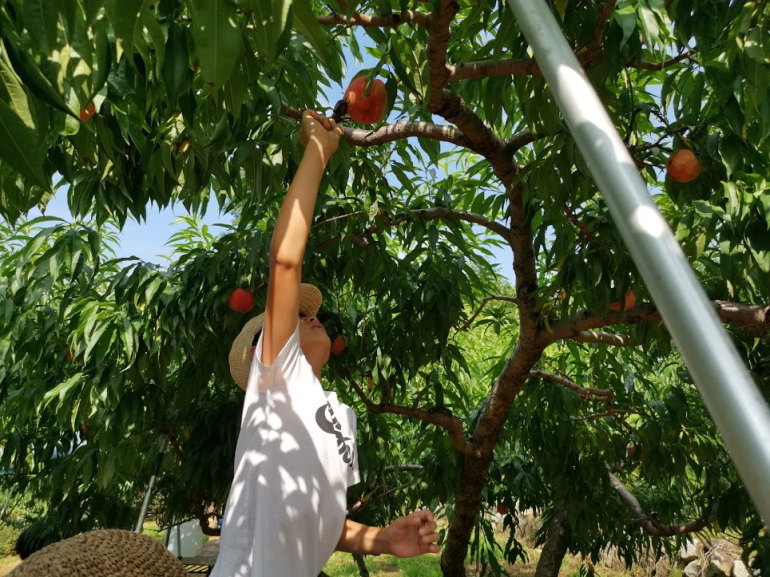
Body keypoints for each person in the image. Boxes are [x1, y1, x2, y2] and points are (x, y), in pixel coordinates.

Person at [212, 110, 440, 577]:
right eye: (295, 314)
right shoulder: (277, 376)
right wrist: (317, 151)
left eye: (309, 312)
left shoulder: (340, 413)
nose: (309, 315)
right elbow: (285, 264)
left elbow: (325, 520)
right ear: (263, 351)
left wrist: (382, 539)